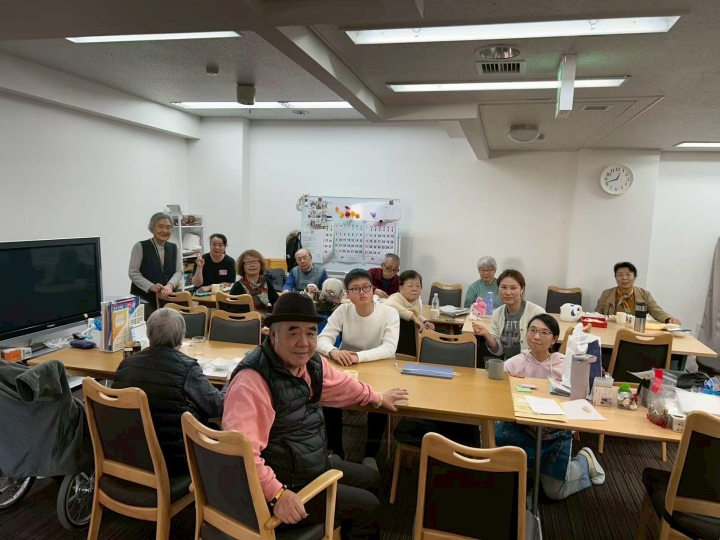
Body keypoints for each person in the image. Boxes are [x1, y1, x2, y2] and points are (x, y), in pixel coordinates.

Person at [222, 293, 408, 539]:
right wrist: (276, 494)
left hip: (308, 463)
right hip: (282, 484)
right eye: (293, 332)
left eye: (310, 333)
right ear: (273, 334)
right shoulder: (253, 381)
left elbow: (342, 385)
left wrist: (378, 398)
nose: (303, 342)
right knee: (368, 507)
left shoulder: (310, 364)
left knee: (371, 477)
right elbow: (240, 452)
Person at [496, 314, 606, 500]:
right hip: (520, 427)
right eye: (532, 330)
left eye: (544, 333)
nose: (536, 337)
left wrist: (558, 428)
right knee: (504, 479)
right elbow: (497, 397)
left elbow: (581, 402)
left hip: (554, 432)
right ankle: (529, 469)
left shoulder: (566, 364)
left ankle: (585, 461)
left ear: (554, 339)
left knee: (555, 492)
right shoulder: (514, 363)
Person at [113, 308, 224, 476]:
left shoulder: (126, 365)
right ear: (181, 338)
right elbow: (217, 406)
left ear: (148, 334)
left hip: (128, 455)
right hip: (175, 461)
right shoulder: (187, 368)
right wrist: (231, 382)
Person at [317, 269, 400, 459]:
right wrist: (333, 351)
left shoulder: (389, 313)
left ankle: (371, 455)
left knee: (379, 400)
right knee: (330, 394)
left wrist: (358, 356)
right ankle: (336, 450)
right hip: (348, 367)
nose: (362, 292)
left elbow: (389, 348)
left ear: (372, 289)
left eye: (366, 287)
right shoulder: (343, 310)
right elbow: (322, 339)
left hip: (380, 367)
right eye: (355, 289)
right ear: (347, 293)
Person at [472, 269, 545, 359]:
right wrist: (487, 335)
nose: (508, 292)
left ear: (522, 289)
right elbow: (498, 351)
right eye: (503, 287)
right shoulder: (497, 314)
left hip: (532, 363)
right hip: (508, 364)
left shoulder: (537, 313)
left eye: (513, 288)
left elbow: (544, 345)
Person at [129, 212, 183, 318]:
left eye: (168, 227)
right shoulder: (140, 246)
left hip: (168, 298)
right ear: (152, 228)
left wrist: (169, 286)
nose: (165, 231)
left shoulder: (175, 248)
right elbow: (133, 272)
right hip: (145, 299)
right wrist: (151, 286)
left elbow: (179, 271)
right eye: (161, 227)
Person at [595, 262, 681, 324]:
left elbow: (656, 311)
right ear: (616, 277)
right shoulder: (607, 294)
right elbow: (597, 314)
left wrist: (669, 319)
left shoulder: (644, 294)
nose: (624, 278)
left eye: (628, 274)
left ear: (634, 277)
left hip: (635, 330)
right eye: (620, 275)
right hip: (611, 330)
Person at [230, 249, 279, 315]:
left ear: (261, 264)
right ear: (242, 266)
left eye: (255, 261)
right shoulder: (238, 286)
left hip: (263, 320)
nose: (252, 265)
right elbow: (232, 312)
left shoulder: (265, 281)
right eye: (248, 262)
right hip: (244, 320)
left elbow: (276, 301)